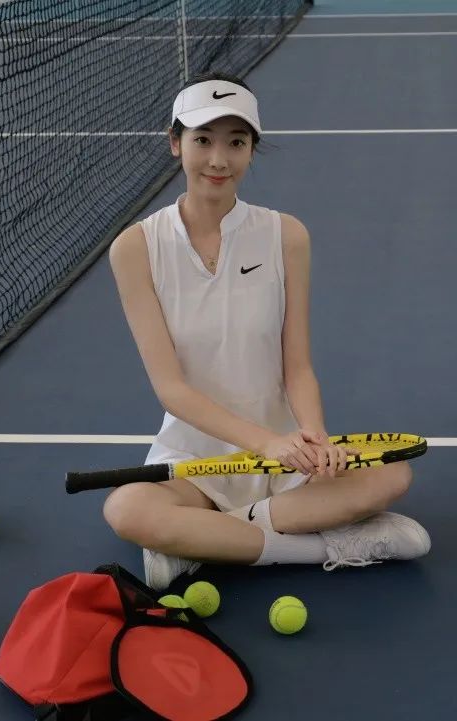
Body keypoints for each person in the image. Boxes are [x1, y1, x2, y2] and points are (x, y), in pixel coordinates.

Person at [101, 71, 431, 591]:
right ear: (175, 142)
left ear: (252, 150)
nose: (218, 160)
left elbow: (297, 366)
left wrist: (314, 437)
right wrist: (264, 443)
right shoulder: (134, 248)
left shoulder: (286, 235)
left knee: (393, 474)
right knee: (127, 509)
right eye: (203, 140)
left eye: (236, 143)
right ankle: (325, 547)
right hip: (195, 461)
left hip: (286, 457)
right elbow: (171, 389)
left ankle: (206, 542)